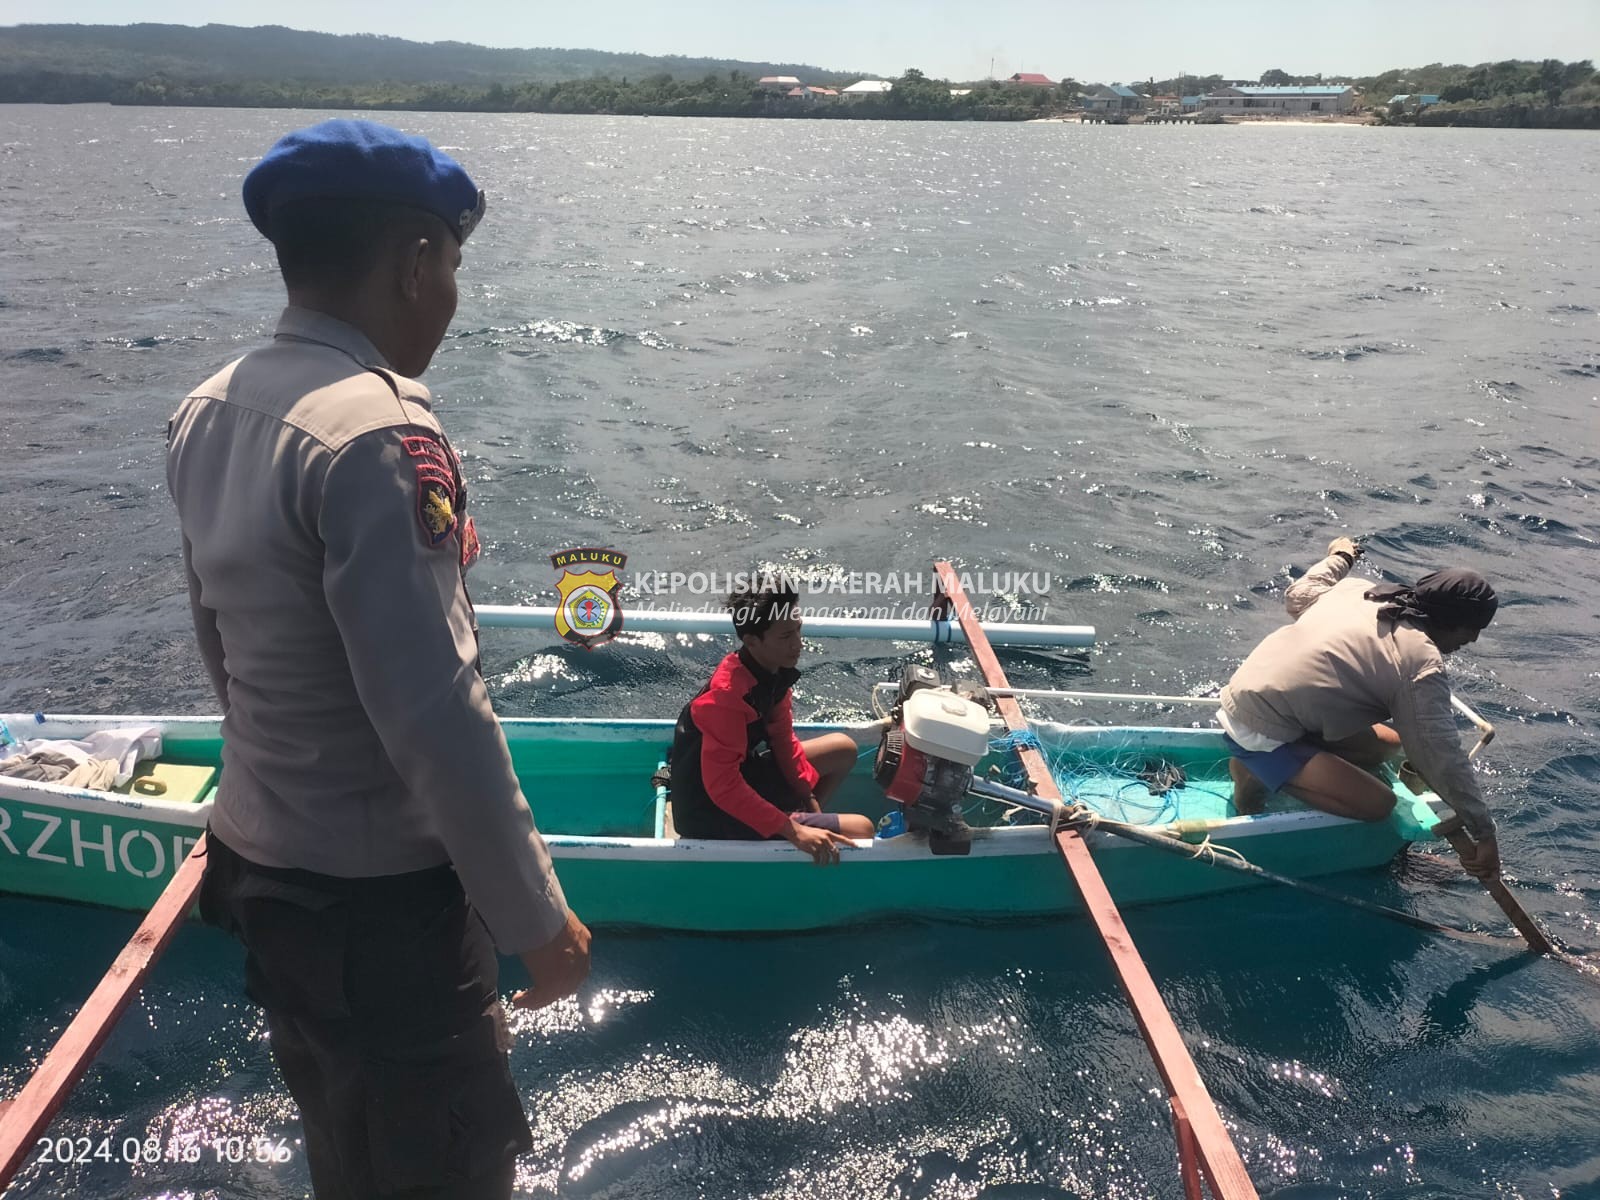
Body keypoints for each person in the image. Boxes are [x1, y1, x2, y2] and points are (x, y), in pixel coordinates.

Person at [166, 119, 590, 1200]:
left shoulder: (208, 407)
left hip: (263, 874)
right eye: (449, 264)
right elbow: (435, 711)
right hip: (381, 919)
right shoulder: (376, 437)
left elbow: (219, 645)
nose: (449, 293)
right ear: (413, 262)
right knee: (440, 1165)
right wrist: (536, 921)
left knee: (345, 1150)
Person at [1219, 536, 1502, 879]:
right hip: (1260, 728)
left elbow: (1300, 593)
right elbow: (1438, 755)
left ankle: (1274, 759)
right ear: (1455, 623)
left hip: (1246, 694)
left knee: (1392, 743)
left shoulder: (1360, 591)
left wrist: (1341, 555)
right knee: (1379, 805)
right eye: (1474, 630)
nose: (1471, 641)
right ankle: (1252, 771)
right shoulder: (1420, 663)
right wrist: (1484, 833)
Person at [667, 579, 877, 863]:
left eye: (798, 630)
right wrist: (792, 830)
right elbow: (723, 788)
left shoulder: (770, 671)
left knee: (842, 748)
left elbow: (782, 739)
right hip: (710, 811)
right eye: (785, 636)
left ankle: (805, 836)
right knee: (862, 829)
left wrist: (809, 798)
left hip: (745, 775)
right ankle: (796, 838)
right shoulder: (727, 698)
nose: (797, 644)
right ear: (752, 640)